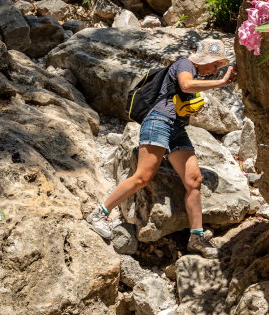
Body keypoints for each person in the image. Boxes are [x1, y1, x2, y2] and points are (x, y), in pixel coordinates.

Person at [86, 38, 237, 258]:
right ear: (205, 58)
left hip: (176, 128)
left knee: (194, 180)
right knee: (144, 176)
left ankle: (196, 237)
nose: (215, 70)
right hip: (158, 120)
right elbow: (185, 85)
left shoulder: (196, 74)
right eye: (214, 65)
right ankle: (99, 213)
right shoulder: (185, 64)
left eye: (218, 68)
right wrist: (221, 82)